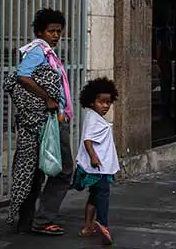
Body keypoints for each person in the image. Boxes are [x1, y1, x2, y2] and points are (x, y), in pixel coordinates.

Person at [6, 8, 73, 235]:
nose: (56, 35)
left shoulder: (46, 53)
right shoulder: (38, 51)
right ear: (40, 32)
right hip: (49, 120)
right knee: (63, 171)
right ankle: (43, 219)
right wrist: (47, 99)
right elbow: (23, 76)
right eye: (51, 31)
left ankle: (26, 220)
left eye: (59, 32)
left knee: (37, 170)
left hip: (50, 118)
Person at [73, 77, 120, 245]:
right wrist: (93, 157)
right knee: (102, 195)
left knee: (93, 196)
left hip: (98, 166)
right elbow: (87, 140)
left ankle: (88, 227)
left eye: (108, 102)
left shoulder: (94, 116)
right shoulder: (93, 118)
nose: (106, 106)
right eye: (101, 102)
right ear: (92, 102)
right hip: (99, 167)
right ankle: (102, 223)